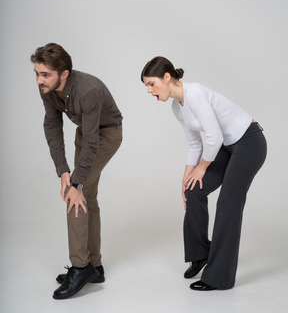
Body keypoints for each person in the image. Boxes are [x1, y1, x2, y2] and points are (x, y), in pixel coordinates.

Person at [141, 56, 267, 291]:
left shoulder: (195, 93)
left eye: (151, 84)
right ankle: (200, 254)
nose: (149, 90)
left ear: (167, 77)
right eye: (146, 86)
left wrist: (201, 168)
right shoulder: (177, 107)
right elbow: (194, 145)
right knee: (193, 190)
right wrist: (186, 178)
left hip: (249, 143)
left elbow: (215, 137)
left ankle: (220, 277)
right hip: (225, 147)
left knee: (228, 204)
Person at [31, 43, 123, 299]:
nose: (39, 80)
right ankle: (95, 266)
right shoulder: (47, 89)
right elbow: (52, 126)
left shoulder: (88, 90)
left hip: (107, 136)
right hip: (86, 132)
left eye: (45, 74)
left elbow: (94, 142)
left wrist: (76, 183)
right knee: (86, 196)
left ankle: (81, 267)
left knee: (76, 195)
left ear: (64, 73)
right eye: (37, 73)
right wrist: (63, 172)